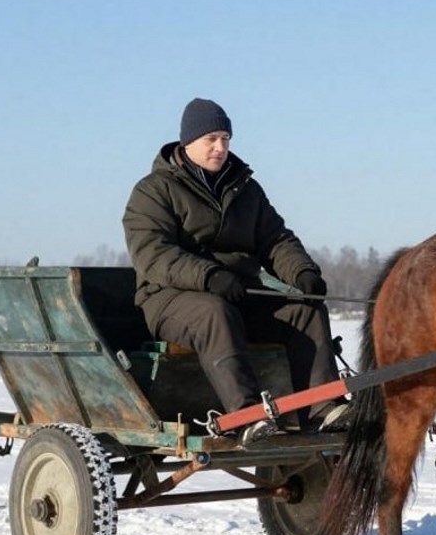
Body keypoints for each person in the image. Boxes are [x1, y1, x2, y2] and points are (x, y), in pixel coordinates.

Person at [123, 98, 347, 444]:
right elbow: (154, 255)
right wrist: (209, 276)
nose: (220, 147)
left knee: (306, 310)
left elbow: (275, 239)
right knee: (215, 312)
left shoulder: (245, 189)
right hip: (169, 300)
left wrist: (303, 273)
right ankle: (244, 416)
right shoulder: (153, 191)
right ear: (188, 142)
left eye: (226, 139)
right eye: (211, 139)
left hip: (237, 293)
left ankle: (322, 408)